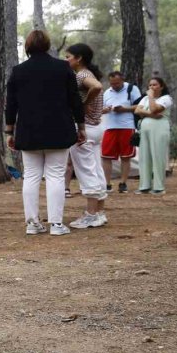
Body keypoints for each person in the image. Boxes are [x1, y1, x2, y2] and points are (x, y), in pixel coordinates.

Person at [6, 30, 85, 236]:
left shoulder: (18, 71)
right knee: (56, 175)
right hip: (58, 129)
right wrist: (81, 126)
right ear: (48, 45)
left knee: (31, 175)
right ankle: (56, 224)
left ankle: (32, 223)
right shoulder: (63, 67)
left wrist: (9, 130)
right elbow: (75, 99)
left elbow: (11, 104)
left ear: (28, 47)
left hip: (28, 131)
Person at [64, 44, 108, 228]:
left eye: (68, 56)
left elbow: (96, 87)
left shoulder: (82, 75)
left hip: (85, 129)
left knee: (86, 171)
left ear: (79, 58)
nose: (66, 60)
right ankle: (99, 212)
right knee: (96, 169)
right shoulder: (90, 74)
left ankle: (90, 215)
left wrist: (83, 104)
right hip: (96, 128)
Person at [101, 71, 141, 192]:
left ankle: (123, 183)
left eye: (117, 83)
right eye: (112, 83)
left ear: (122, 80)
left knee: (126, 156)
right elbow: (101, 109)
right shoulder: (107, 92)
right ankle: (107, 184)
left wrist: (124, 109)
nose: (114, 86)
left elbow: (140, 106)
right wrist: (106, 110)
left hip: (127, 126)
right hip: (110, 127)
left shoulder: (132, 89)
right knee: (106, 156)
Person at [135, 77, 173, 194]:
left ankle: (158, 187)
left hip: (160, 128)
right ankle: (144, 186)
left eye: (155, 85)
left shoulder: (166, 98)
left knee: (158, 156)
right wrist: (151, 115)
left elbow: (155, 109)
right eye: (150, 85)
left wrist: (151, 97)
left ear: (161, 87)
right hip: (145, 129)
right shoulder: (145, 98)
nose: (152, 87)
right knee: (144, 156)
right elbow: (137, 110)